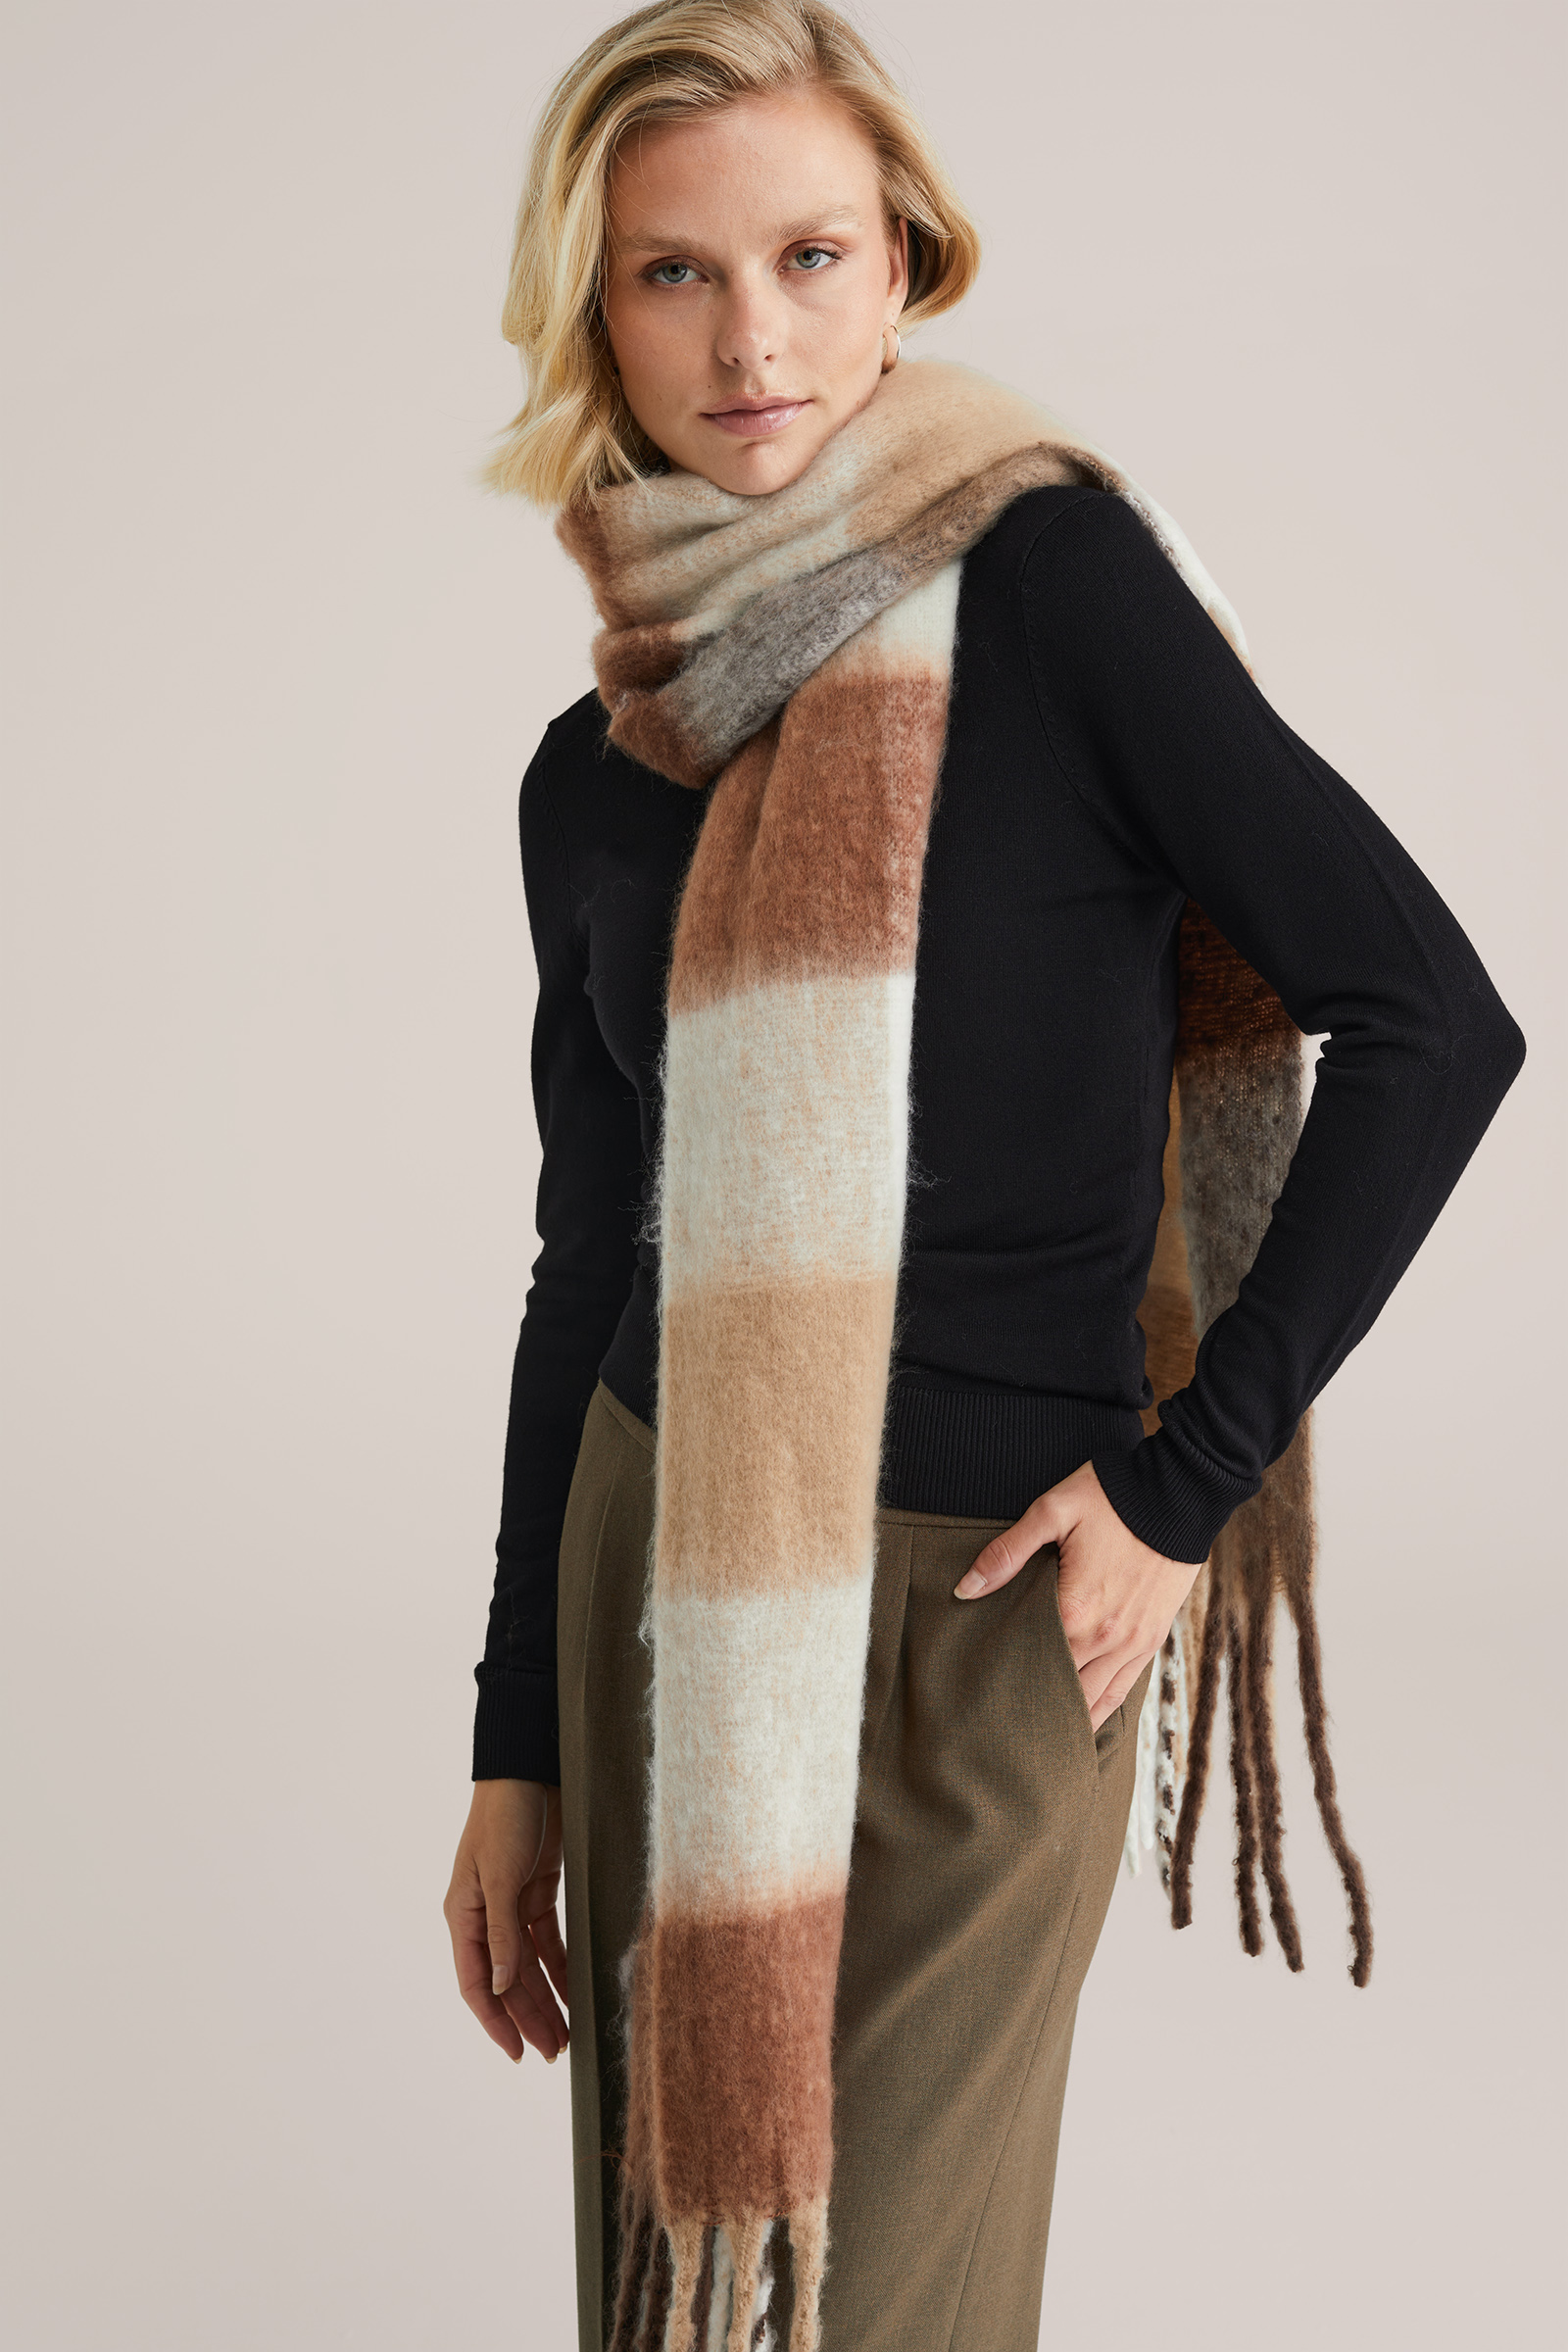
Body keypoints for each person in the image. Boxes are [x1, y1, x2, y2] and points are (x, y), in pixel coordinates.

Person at [442, 6, 1526, 2348]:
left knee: (875, 2308)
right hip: (662, 1580)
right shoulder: (592, 767)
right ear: (589, 307)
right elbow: (582, 1255)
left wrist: (1182, 1482)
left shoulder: (1051, 593)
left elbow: (1433, 1024)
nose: (752, 338)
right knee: (671, 2311)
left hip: (991, 1598)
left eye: (809, 256)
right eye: (672, 273)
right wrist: (512, 1738)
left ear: (905, 259)